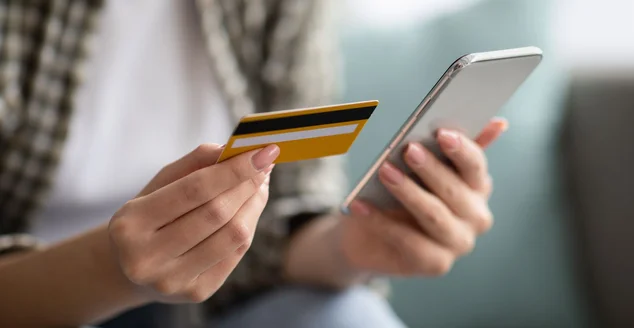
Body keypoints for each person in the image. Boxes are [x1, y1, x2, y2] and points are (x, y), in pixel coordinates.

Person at [0, 1, 507, 327]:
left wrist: (352, 246)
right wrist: (117, 267)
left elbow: (293, 207)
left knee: (349, 318)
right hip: (36, 294)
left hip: (208, 306)